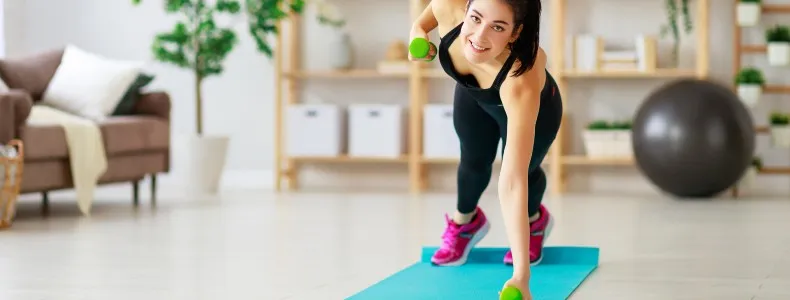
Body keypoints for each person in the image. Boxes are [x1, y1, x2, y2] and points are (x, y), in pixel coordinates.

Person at [409, 0, 562, 297]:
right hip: (474, 95)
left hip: (533, 109)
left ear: (515, 34)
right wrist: (418, 37)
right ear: (466, 9)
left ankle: (535, 222)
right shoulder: (447, 6)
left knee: (522, 172)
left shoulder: (522, 77)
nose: (479, 36)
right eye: (476, 18)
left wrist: (521, 277)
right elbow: (420, 24)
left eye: (498, 27)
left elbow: (511, 183)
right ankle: (465, 223)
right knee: (472, 162)